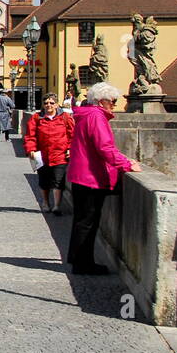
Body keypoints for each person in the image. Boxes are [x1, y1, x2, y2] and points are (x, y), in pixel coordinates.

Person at [65, 83, 141, 275]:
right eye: (113, 101)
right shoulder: (96, 117)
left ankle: (78, 259)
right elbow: (105, 148)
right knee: (88, 221)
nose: (114, 105)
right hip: (90, 177)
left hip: (80, 174)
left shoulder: (85, 115)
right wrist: (126, 164)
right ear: (101, 101)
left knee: (82, 220)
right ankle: (83, 263)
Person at [24, 94, 75, 214]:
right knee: (44, 180)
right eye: (46, 103)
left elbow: (72, 135)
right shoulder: (37, 118)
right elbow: (30, 135)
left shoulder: (65, 117)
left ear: (57, 104)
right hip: (42, 155)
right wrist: (31, 149)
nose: (49, 105)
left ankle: (57, 206)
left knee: (58, 180)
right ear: (43, 105)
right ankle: (46, 203)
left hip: (60, 154)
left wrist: (70, 148)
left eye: (52, 103)